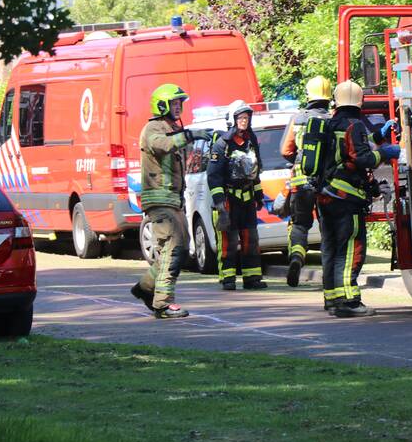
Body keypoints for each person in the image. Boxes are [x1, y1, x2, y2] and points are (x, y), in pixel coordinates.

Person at [318, 81, 401, 317]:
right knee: (351, 249)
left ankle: (332, 299)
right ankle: (349, 301)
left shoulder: (331, 124)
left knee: (331, 249)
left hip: (326, 196)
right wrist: (386, 152)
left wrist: (377, 137)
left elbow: (346, 154)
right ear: (360, 101)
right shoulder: (352, 125)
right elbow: (362, 158)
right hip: (346, 199)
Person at [130, 83, 212, 319]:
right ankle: (163, 304)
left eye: (180, 104)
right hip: (160, 200)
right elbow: (163, 144)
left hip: (173, 201)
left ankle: (146, 289)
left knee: (181, 248)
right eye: (175, 103)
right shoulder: (153, 128)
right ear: (162, 104)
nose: (179, 107)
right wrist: (190, 135)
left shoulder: (173, 127)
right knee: (172, 249)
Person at [207, 100, 267, 290]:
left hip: (247, 197)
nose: (244, 121)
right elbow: (213, 176)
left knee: (251, 239)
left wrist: (258, 196)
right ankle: (228, 278)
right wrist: (219, 203)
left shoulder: (252, 140)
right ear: (232, 120)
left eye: (246, 117)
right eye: (240, 118)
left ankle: (252, 278)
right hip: (228, 199)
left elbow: (255, 171)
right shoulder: (221, 144)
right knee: (228, 241)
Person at [279, 75, 332, 287]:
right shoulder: (332, 119)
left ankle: (296, 258)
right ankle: (330, 274)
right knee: (328, 228)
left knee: (300, 225)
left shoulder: (298, 118)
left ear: (308, 95)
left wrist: (299, 161)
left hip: (301, 182)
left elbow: (285, 150)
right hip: (327, 183)